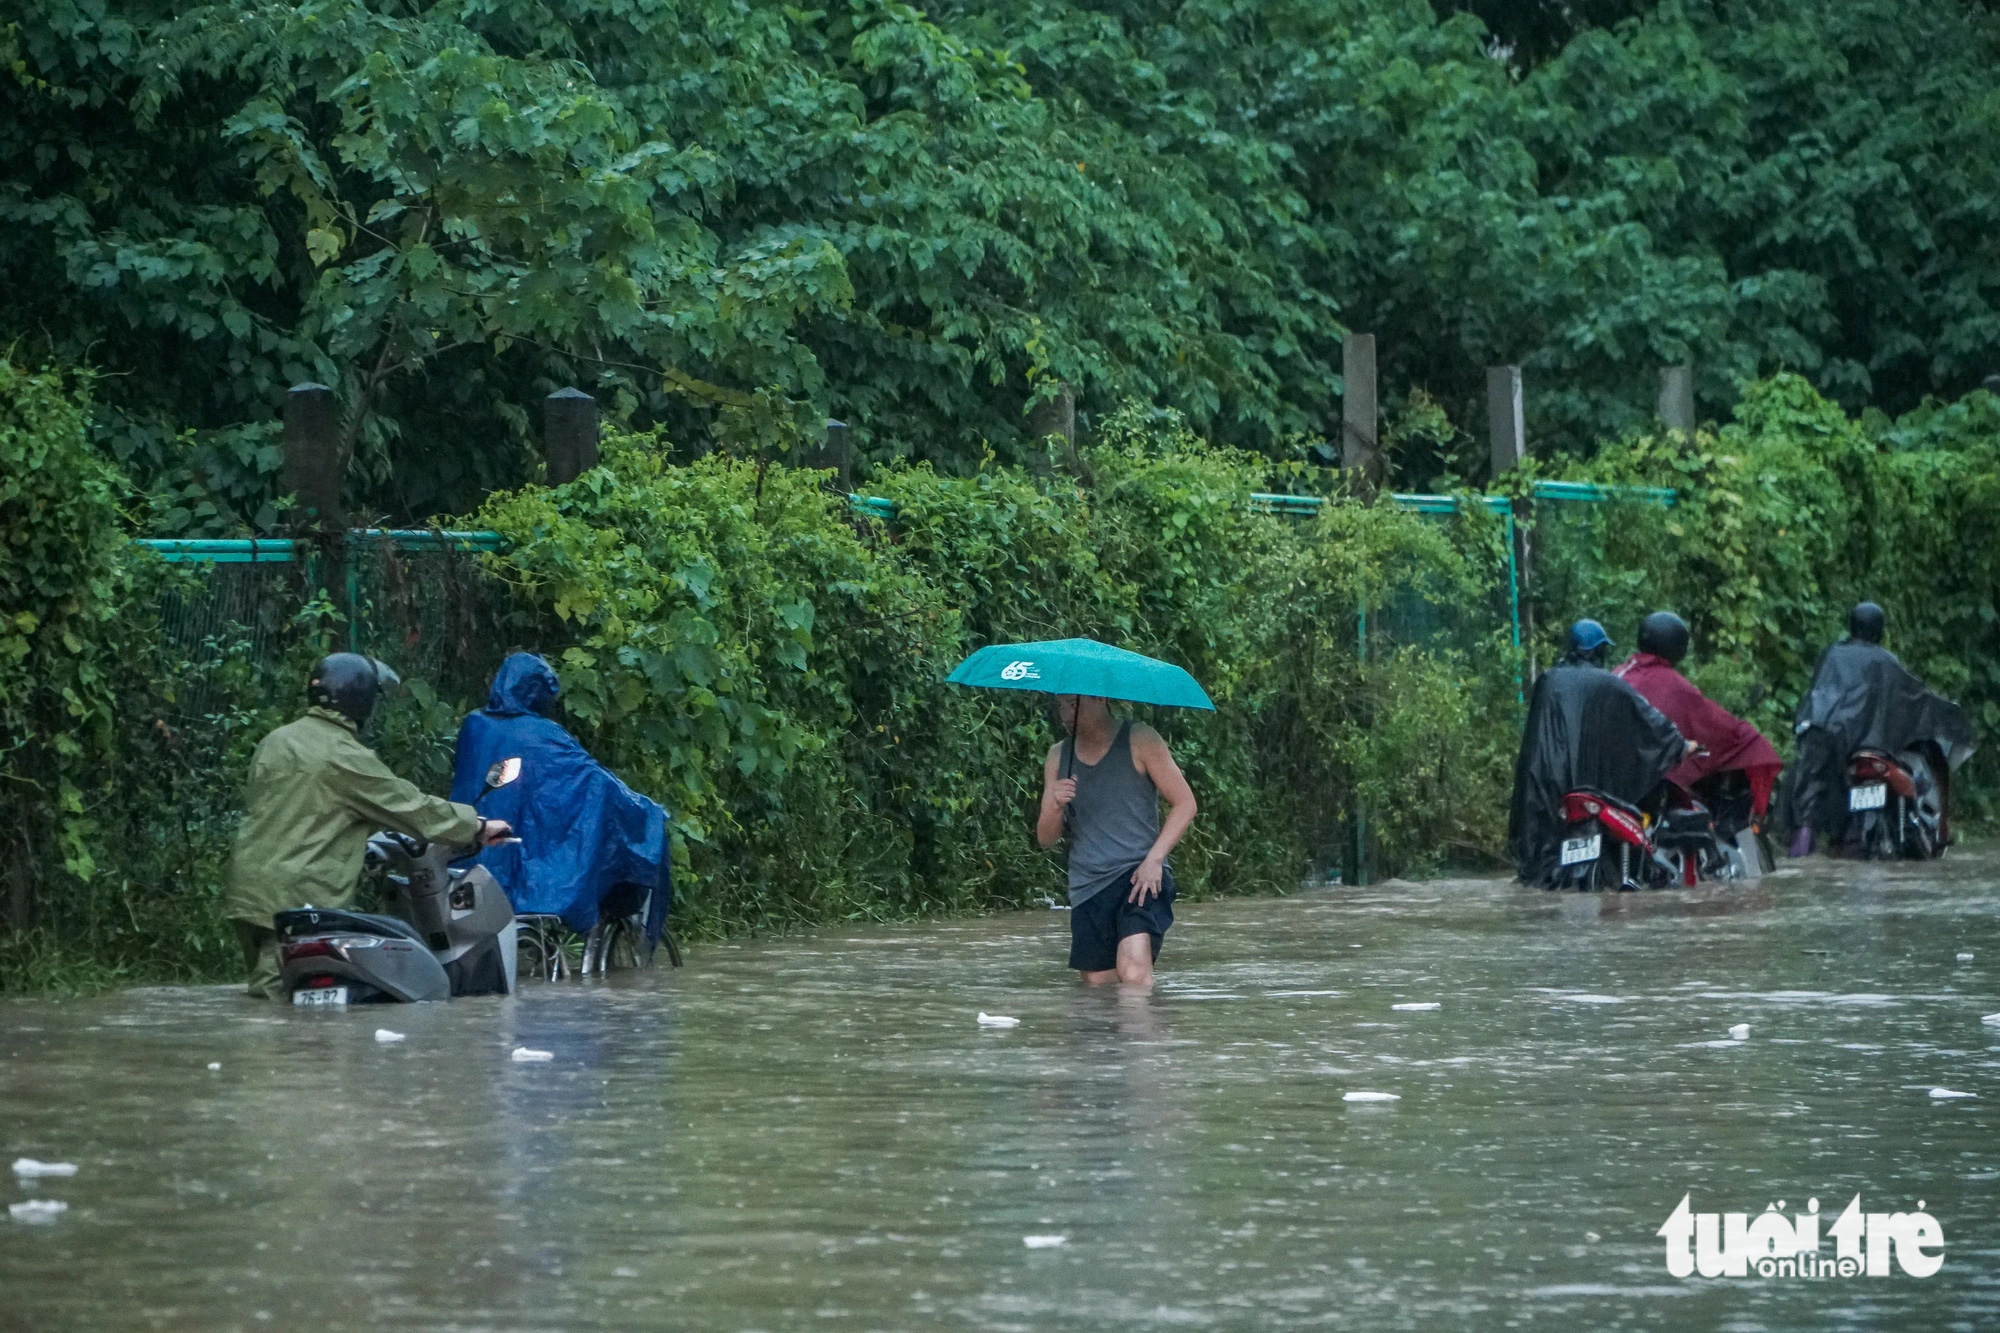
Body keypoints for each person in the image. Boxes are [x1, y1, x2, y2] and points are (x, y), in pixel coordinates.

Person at [225, 654, 512, 999]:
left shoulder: (277, 740)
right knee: (277, 1014)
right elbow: (411, 808)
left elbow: (300, 814)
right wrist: (477, 826)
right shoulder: (344, 755)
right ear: (360, 701)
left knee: (269, 996)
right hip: (298, 900)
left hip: (248, 890)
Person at [449, 653, 670, 951]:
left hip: (466, 859)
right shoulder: (545, 734)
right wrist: (646, 812)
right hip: (530, 870)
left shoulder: (474, 727)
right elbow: (594, 781)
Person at [1781, 602, 1976, 855]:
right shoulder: (1886, 661)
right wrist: (1947, 713)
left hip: (1823, 736)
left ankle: (1799, 856)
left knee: (1807, 803)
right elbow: (1914, 697)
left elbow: (1820, 695)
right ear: (1879, 630)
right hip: (1862, 745)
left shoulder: (1832, 654)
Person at [1507, 619, 1688, 886]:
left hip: (1543, 789)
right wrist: (1679, 745)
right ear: (1599, 650)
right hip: (1589, 792)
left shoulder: (1547, 680)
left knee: (1538, 869)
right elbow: (1648, 720)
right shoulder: (1608, 683)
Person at [1036, 694, 1198, 986]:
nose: (1065, 714)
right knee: (1099, 989)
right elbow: (1045, 838)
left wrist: (1155, 860)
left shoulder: (1141, 739)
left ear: (1100, 698)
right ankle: (1131, 1031)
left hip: (1139, 875)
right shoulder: (1058, 756)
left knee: (1134, 972)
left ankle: (1145, 1032)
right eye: (1060, 706)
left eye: (1073, 704)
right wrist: (1055, 805)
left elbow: (1185, 803)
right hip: (1088, 885)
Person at [1613, 611, 1784, 823]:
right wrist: (1748, 738)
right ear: (1677, 647)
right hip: (1651, 778)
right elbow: (1715, 725)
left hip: (1612, 773)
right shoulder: (1674, 685)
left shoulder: (1620, 673)